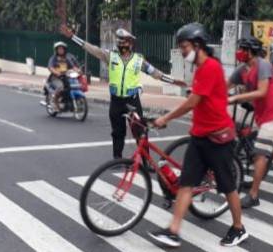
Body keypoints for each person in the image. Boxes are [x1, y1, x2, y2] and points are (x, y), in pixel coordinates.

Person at [148, 23, 248, 248]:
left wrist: (166, 118)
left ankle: (239, 228)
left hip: (218, 139)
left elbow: (193, 102)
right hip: (200, 137)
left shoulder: (211, 67)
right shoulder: (199, 69)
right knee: (186, 184)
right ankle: (173, 231)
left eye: (184, 46)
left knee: (227, 186)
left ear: (198, 45)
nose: (182, 51)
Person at [60, 24, 185, 159]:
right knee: (118, 132)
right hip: (116, 101)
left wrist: (174, 81)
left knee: (139, 131)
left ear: (131, 44)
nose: (122, 44)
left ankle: (146, 161)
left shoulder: (138, 60)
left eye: (125, 42)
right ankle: (117, 159)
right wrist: (72, 37)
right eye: (119, 42)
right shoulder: (110, 56)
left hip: (132, 101)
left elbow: (156, 73)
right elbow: (91, 49)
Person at [228, 37, 273, 208]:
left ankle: (253, 195)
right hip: (262, 114)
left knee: (260, 153)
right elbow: (224, 85)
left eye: (243, 49)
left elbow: (262, 91)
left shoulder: (263, 65)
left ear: (251, 51)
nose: (240, 52)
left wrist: (236, 98)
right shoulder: (242, 70)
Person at [45, 41, 81, 111]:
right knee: (60, 87)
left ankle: (70, 101)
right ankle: (55, 103)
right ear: (56, 50)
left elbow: (73, 67)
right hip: (55, 78)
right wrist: (56, 72)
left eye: (62, 49)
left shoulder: (66, 59)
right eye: (59, 49)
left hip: (65, 77)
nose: (61, 50)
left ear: (65, 50)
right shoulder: (53, 58)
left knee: (74, 86)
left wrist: (78, 70)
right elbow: (50, 67)